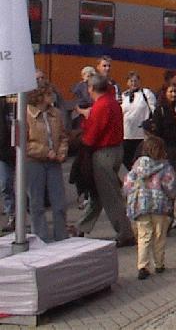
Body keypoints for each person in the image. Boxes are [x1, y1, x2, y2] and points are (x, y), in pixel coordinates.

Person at [74, 74, 135, 246]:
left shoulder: (101, 106)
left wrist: (83, 142)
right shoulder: (112, 102)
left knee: (110, 196)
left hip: (103, 153)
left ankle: (125, 233)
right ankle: (82, 226)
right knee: (99, 193)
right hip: (115, 149)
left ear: (91, 88)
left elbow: (92, 134)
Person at [123, 136, 176, 279]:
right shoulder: (165, 167)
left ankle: (142, 266)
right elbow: (170, 187)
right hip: (159, 206)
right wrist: (172, 196)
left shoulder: (137, 166)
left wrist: (130, 196)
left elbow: (127, 185)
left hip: (140, 205)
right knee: (159, 236)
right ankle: (159, 264)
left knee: (144, 236)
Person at [26, 81, 69, 242]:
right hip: (33, 162)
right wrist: (46, 151)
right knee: (36, 203)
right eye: (49, 94)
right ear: (39, 96)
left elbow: (63, 136)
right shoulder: (27, 114)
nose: (53, 96)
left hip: (54, 162)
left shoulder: (56, 113)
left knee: (59, 202)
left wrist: (62, 152)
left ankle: (61, 235)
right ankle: (40, 236)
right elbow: (24, 143)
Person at [151, 82, 176, 228]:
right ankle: (164, 215)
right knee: (165, 182)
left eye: (175, 92)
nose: (174, 94)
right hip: (166, 149)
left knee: (173, 182)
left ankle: (171, 215)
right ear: (164, 93)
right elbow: (157, 131)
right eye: (171, 92)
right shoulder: (160, 110)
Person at [121, 71, 157, 171]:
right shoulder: (123, 96)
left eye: (135, 81)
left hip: (142, 134)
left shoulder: (146, 93)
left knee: (142, 158)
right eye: (131, 81)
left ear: (139, 81)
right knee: (126, 158)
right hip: (127, 134)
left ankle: (142, 175)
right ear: (127, 83)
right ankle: (134, 173)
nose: (133, 83)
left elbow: (154, 110)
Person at [0, 97, 15, 233]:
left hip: (16, 149)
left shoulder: (11, 104)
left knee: (27, 187)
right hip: (3, 152)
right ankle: (12, 215)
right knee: (5, 184)